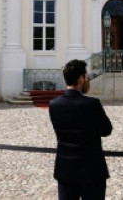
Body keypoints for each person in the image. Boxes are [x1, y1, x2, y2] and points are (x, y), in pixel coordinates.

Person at [48, 59, 113, 200]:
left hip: (65, 169)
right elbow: (107, 129)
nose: (88, 79)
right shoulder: (92, 104)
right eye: (87, 76)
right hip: (91, 170)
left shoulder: (54, 104)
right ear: (80, 79)